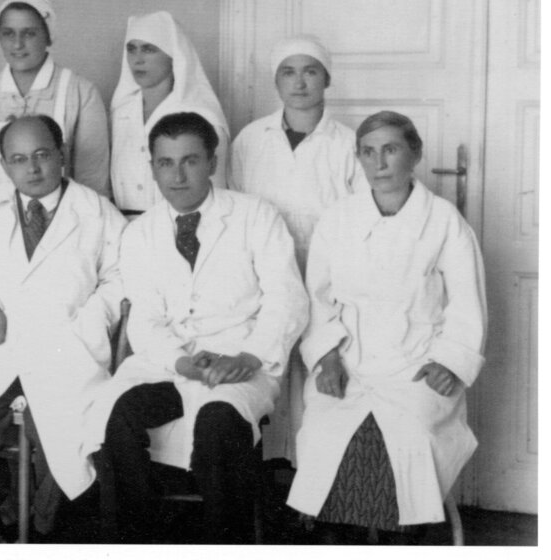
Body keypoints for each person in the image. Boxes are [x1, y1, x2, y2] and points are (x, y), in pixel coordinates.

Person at [84, 112, 308, 544]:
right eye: (166, 163)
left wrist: (249, 356)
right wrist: (182, 362)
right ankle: (137, 540)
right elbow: (145, 318)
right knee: (117, 416)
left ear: (212, 162)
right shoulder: (140, 233)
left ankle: (225, 544)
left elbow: (287, 299)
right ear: (152, 167)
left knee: (218, 423)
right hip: (169, 364)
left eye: (190, 160)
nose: (178, 176)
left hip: (241, 359)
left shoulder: (256, 216)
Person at [286, 111, 487, 545]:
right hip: (350, 365)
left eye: (391, 149)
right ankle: (339, 538)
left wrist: (449, 362)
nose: (379, 163)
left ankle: (404, 539)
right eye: (368, 152)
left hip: (417, 366)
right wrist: (327, 357)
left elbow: (468, 305)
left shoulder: (444, 222)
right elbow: (317, 298)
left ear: (414, 154)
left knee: (408, 438)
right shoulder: (338, 218)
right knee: (326, 433)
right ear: (358, 157)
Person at [0, 115, 125, 540]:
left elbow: (119, 280)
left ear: (62, 154)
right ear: (4, 165)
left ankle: (43, 529)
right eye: (18, 159)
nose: (32, 168)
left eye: (42, 155)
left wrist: (88, 323)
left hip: (66, 347)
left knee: (66, 433)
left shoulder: (98, 213)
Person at [229, 35, 364, 464]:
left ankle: (314, 477)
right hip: (264, 267)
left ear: (327, 79)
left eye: (310, 71)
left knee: (323, 365)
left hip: (327, 270)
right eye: (289, 72)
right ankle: (272, 470)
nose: (300, 82)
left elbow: (361, 218)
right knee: (270, 360)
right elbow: (237, 207)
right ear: (276, 80)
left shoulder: (348, 143)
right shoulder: (251, 139)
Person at [0, 0, 109, 213]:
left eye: (29, 33)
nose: (17, 44)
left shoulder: (81, 93)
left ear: (48, 36)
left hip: (60, 221)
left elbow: (92, 183)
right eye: (8, 33)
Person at [110, 11, 230, 216]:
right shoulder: (121, 112)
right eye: (131, 49)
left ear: (172, 54)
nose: (138, 60)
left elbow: (215, 191)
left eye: (148, 49)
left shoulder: (202, 115)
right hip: (124, 226)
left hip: (183, 224)